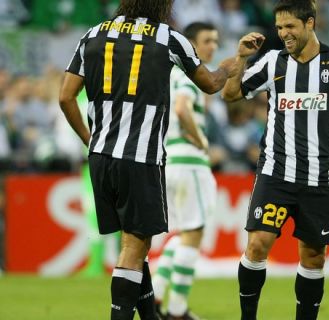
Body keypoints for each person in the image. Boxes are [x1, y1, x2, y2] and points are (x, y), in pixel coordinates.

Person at [58, 1, 236, 319]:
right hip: (140, 157)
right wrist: (227, 68)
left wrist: (90, 139)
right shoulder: (168, 37)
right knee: (133, 247)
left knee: (136, 245)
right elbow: (210, 84)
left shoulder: (93, 34)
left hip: (100, 158)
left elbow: (65, 96)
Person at [222, 1, 329, 319]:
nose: (283, 33)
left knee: (314, 257)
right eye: (279, 28)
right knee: (258, 244)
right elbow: (231, 94)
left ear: (310, 23)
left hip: (318, 177)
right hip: (276, 172)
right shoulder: (273, 62)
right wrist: (242, 58)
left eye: (290, 26)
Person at [150, 22, 220, 320]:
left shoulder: (169, 74)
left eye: (215, 40)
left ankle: (155, 293)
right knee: (194, 233)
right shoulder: (190, 74)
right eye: (207, 40)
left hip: (171, 162)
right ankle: (177, 309)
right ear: (190, 44)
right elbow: (181, 109)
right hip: (190, 162)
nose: (212, 46)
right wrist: (202, 140)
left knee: (182, 234)